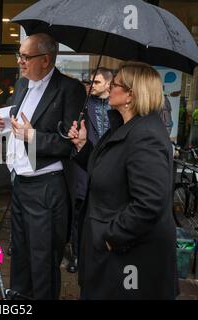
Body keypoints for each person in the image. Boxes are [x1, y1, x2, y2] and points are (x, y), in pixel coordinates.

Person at [0, 33, 86, 299]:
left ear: (45, 59)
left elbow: (69, 144)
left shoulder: (70, 89)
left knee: (43, 258)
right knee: (19, 250)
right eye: (19, 55)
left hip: (48, 187)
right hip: (20, 182)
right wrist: (0, 122)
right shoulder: (22, 85)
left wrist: (33, 137)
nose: (19, 61)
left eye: (25, 57)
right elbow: (17, 118)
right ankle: (19, 298)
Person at [68, 61, 178, 299]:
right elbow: (107, 170)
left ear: (131, 94)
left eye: (115, 84)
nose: (110, 89)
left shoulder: (146, 136)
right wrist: (83, 146)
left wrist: (111, 237)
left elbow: (149, 204)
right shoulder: (123, 127)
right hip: (112, 258)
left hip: (129, 263)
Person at [67, 68, 113, 273]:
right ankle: (77, 255)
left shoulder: (116, 107)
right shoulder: (83, 105)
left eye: (97, 82)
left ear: (108, 85)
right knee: (80, 213)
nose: (92, 85)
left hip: (108, 169)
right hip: (84, 166)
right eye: (91, 82)